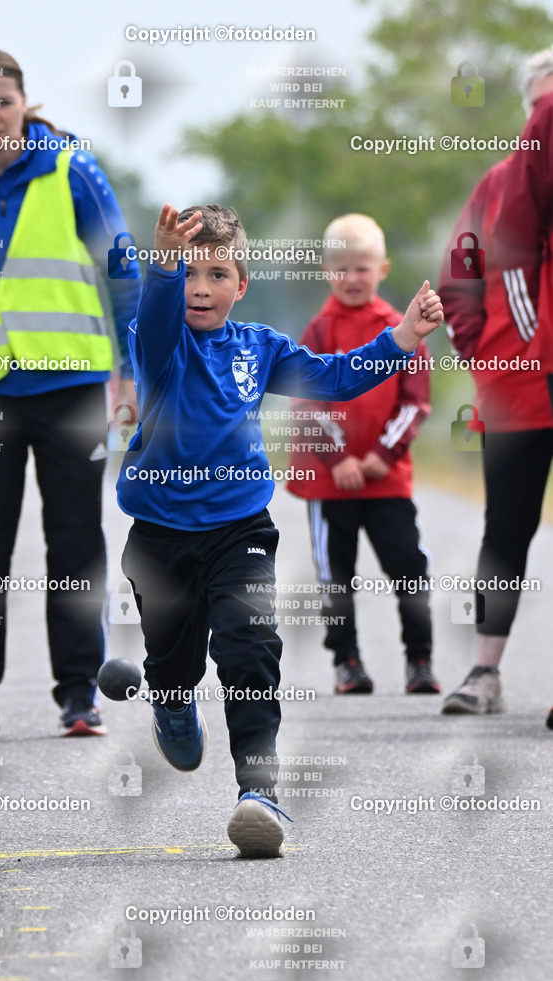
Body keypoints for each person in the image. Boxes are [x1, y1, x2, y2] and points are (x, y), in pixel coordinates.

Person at [116, 203, 444, 856]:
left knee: (249, 645)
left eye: (216, 274)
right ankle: (172, 700)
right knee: (172, 662)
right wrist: (161, 265)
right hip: (158, 537)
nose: (199, 288)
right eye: (188, 273)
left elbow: (334, 377)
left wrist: (403, 335)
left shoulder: (258, 348)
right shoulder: (158, 345)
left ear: (242, 283)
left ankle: (257, 794)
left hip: (239, 530)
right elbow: (152, 318)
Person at [0, 49, 141, 739]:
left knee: (74, 540)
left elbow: (122, 270)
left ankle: (78, 694)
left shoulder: (72, 169)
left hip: (69, 379)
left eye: (2, 102)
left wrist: (130, 372)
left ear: (22, 102)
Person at [438, 49, 553, 717]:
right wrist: (483, 355)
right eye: (544, 100)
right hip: (513, 390)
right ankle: (483, 674)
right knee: (504, 529)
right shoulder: (494, 185)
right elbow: (458, 276)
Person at [287, 214, 438, 695]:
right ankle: (347, 662)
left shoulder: (402, 328)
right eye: (341, 268)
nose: (352, 278)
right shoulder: (319, 330)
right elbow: (305, 403)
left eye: (362, 268)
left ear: (383, 268)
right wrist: (339, 459)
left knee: (408, 566)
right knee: (336, 574)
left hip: (386, 479)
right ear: (327, 271)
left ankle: (420, 661)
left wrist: (380, 456)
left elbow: (415, 403)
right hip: (329, 483)